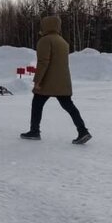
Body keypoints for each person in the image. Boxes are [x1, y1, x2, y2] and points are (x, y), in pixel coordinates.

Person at [21, 15, 91, 144]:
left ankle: (34, 131)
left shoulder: (45, 41)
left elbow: (43, 62)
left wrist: (37, 81)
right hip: (63, 80)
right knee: (69, 106)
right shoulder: (62, 41)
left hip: (47, 81)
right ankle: (83, 131)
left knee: (37, 103)